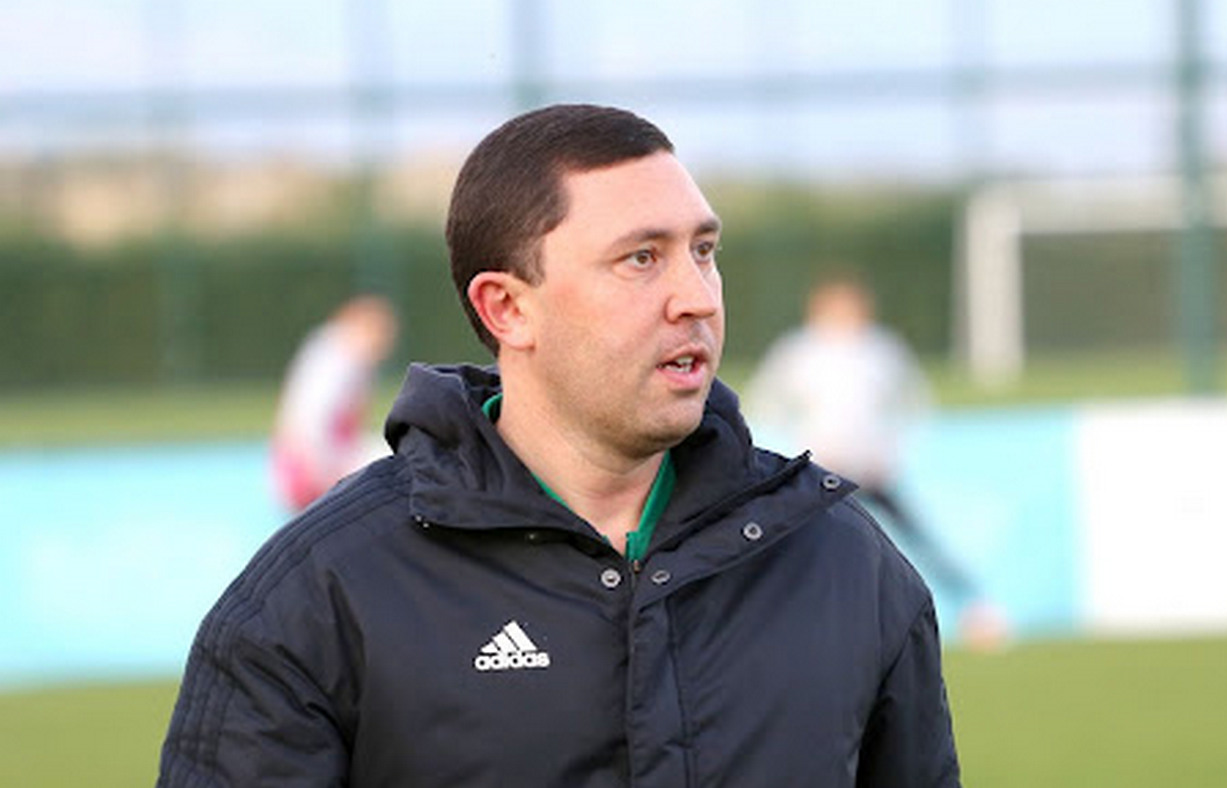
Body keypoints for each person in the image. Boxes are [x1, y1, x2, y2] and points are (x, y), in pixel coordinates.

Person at [158, 104, 961, 787]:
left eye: (704, 251)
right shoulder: (320, 596)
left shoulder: (843, 564)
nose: (696, 298)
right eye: (641, 258)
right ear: (508, 309)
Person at [747, 272, 1007, 651]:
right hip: (824, 473)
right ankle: (778, 625)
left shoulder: (881, 350)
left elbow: (914, 403)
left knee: (916, 539)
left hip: (872, 469)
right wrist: (802, 451)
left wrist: (892, 450)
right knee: (798, 546)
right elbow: (766, 404)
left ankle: (975, 608)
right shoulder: (799, 352)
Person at [268, 294, 398, 512]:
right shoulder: (340, 363)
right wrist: (330, 474)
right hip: (307, 476)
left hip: (308, 468)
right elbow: (311, 426)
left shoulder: (334, 353)